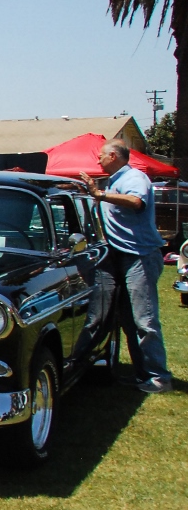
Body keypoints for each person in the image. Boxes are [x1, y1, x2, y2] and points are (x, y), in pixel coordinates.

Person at [80, 139, 174, 394]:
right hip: (117, 256)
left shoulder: (135, 178)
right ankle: (142, 374)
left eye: (101, 156)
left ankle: (159, 377)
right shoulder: (112, 182)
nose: (98, 160)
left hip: (140, 256)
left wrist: (100, 195)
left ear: (113, 155)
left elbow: (136, 202)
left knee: (144, 319)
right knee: (126, 320)